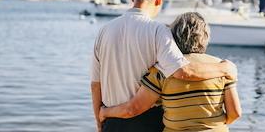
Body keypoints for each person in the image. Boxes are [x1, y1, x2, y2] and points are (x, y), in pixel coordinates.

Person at [90, 0, 238, 132]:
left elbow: (95, 85)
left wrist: (100, 122)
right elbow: (182, 71)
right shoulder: (158, 31)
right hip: (148, 123)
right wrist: (225, 68)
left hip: (111, 122)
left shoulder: (104, 31)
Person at [99, 12, 242, 132]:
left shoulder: (162, 70)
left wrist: (105, 112)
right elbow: (235, 113)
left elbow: (134, 108)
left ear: (173, 38)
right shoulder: (223, 67)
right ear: (206, 37)